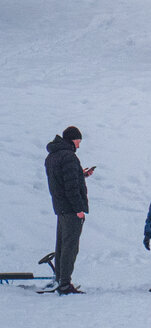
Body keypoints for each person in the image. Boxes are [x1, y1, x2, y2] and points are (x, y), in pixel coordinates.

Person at [44, 126, 93, 294]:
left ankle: (59, 278)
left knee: (62, 245)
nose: (78, 146)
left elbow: (62, 179)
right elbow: (71, 187)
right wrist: (78, 208)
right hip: (71, 209)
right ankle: (65, 284)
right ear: (73, 139)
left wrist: (82, 174)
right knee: (70, 247)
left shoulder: (52, 155)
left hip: (60, 207)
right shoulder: (69, 157)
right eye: (78, 141)